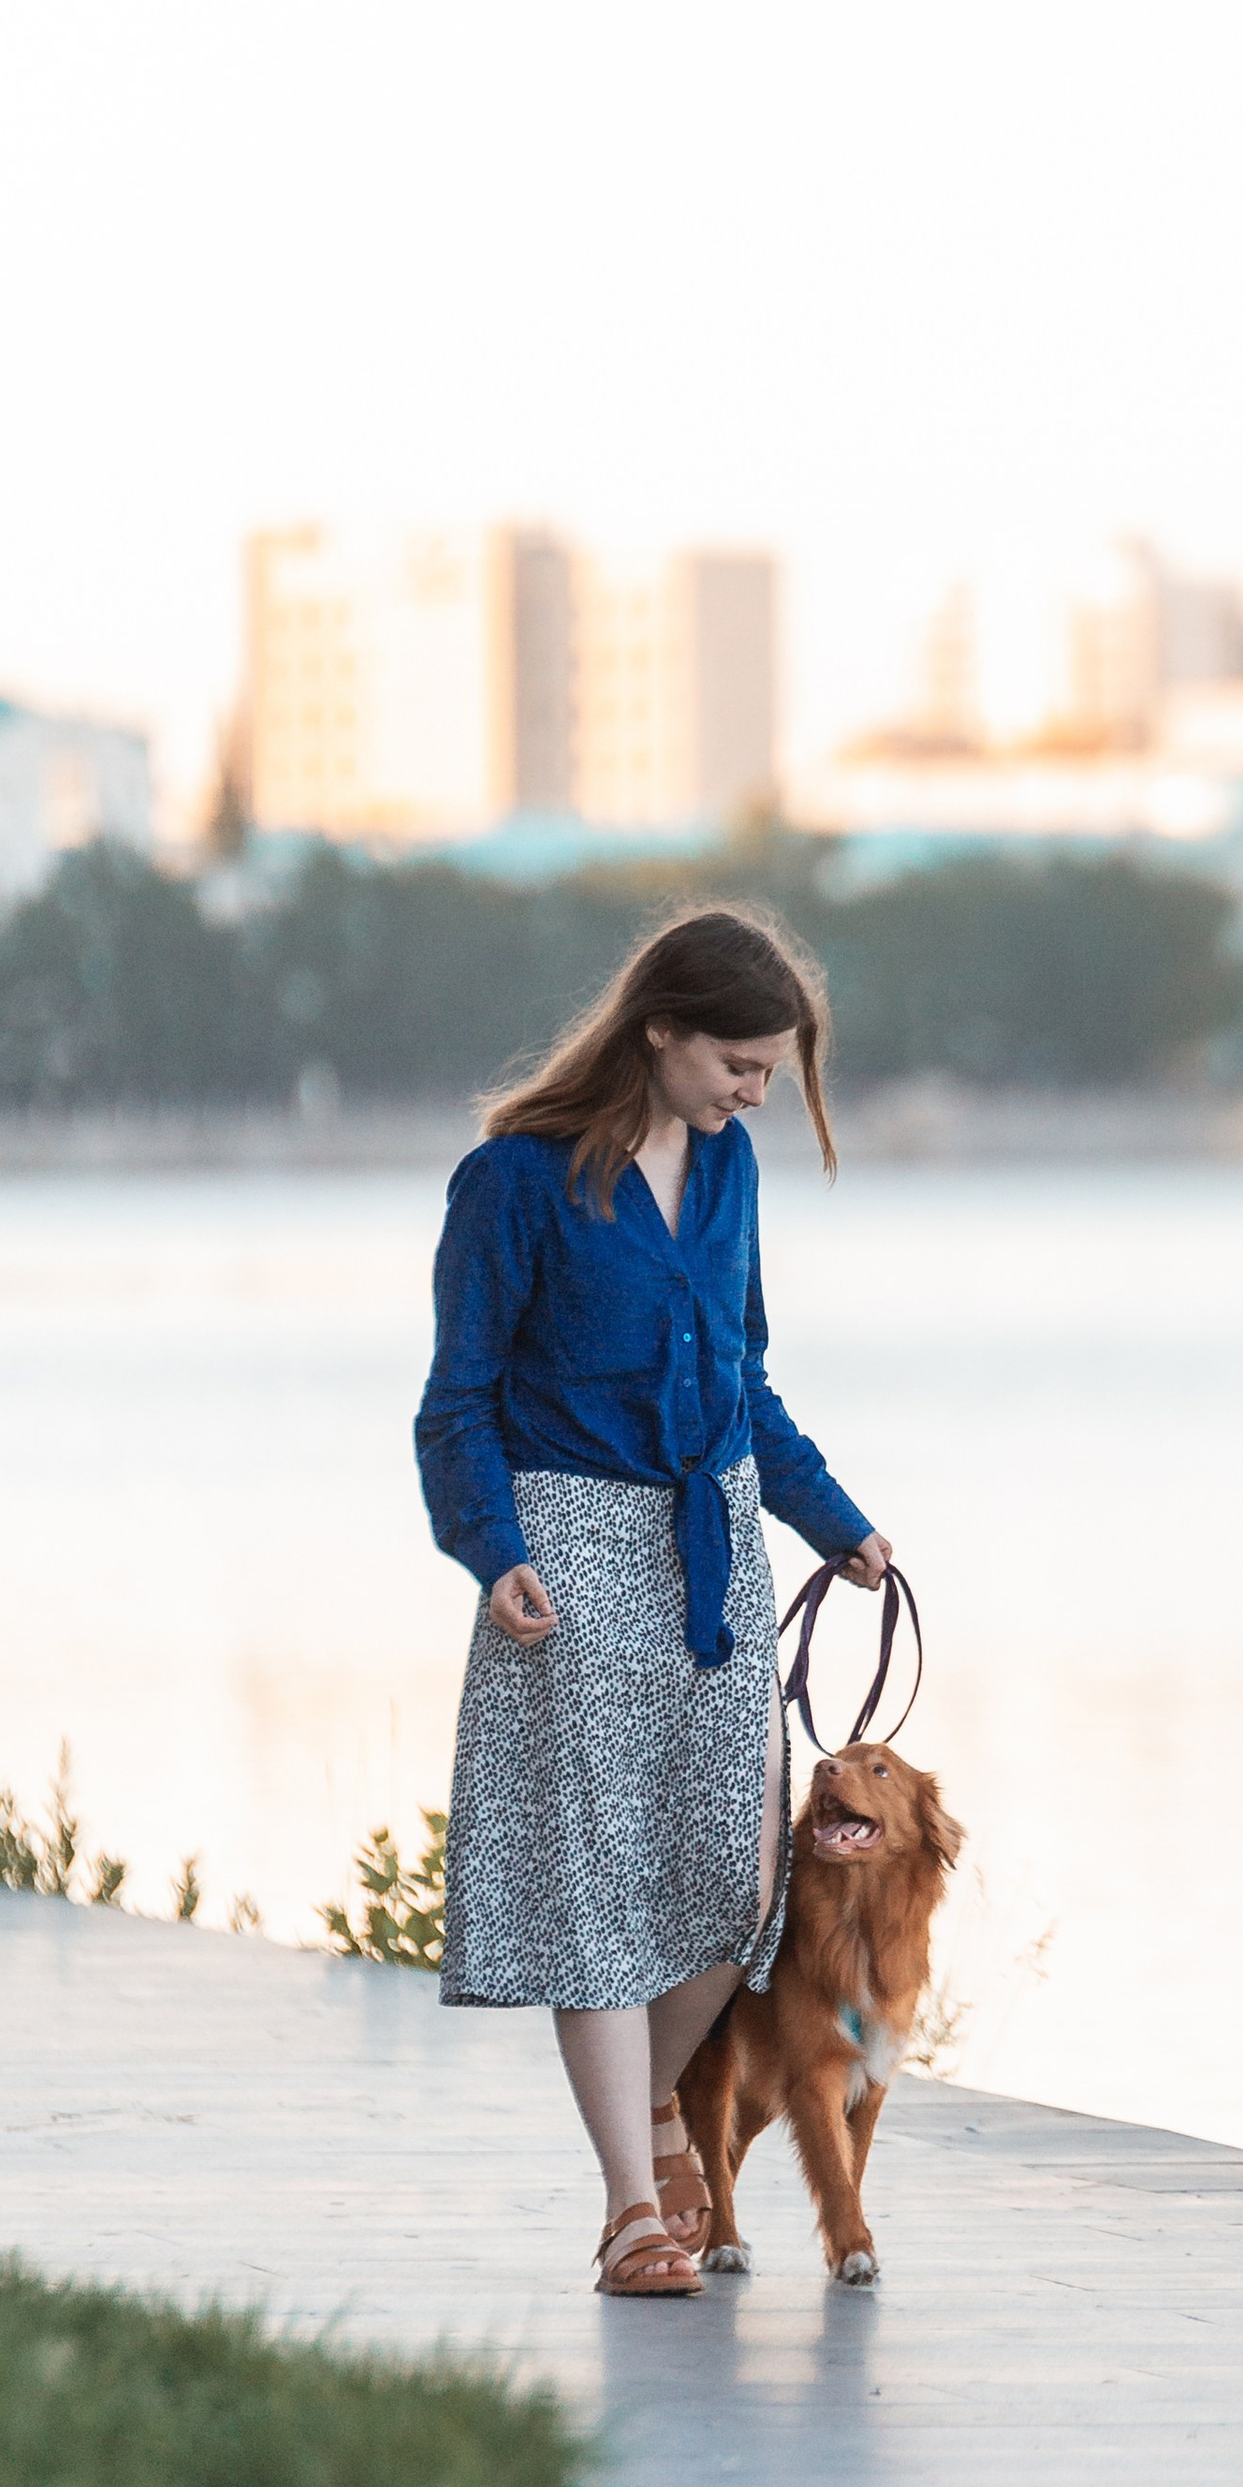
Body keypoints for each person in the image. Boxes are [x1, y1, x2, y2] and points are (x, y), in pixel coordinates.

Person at [415, 905, 890, 2298]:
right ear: (662, 1030)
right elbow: (459, 1399)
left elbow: (742, 1378)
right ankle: (633, 2209)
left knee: (739, 1891)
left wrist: (835, 1521)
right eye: (740, 1064)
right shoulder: (514, 1180)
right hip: (567, 1546)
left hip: (719, 1544)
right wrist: (490, 1546)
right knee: (598, 1890)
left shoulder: (731, 1171)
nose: (755, 1094)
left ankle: (669, 2110)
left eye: (771, 1072)